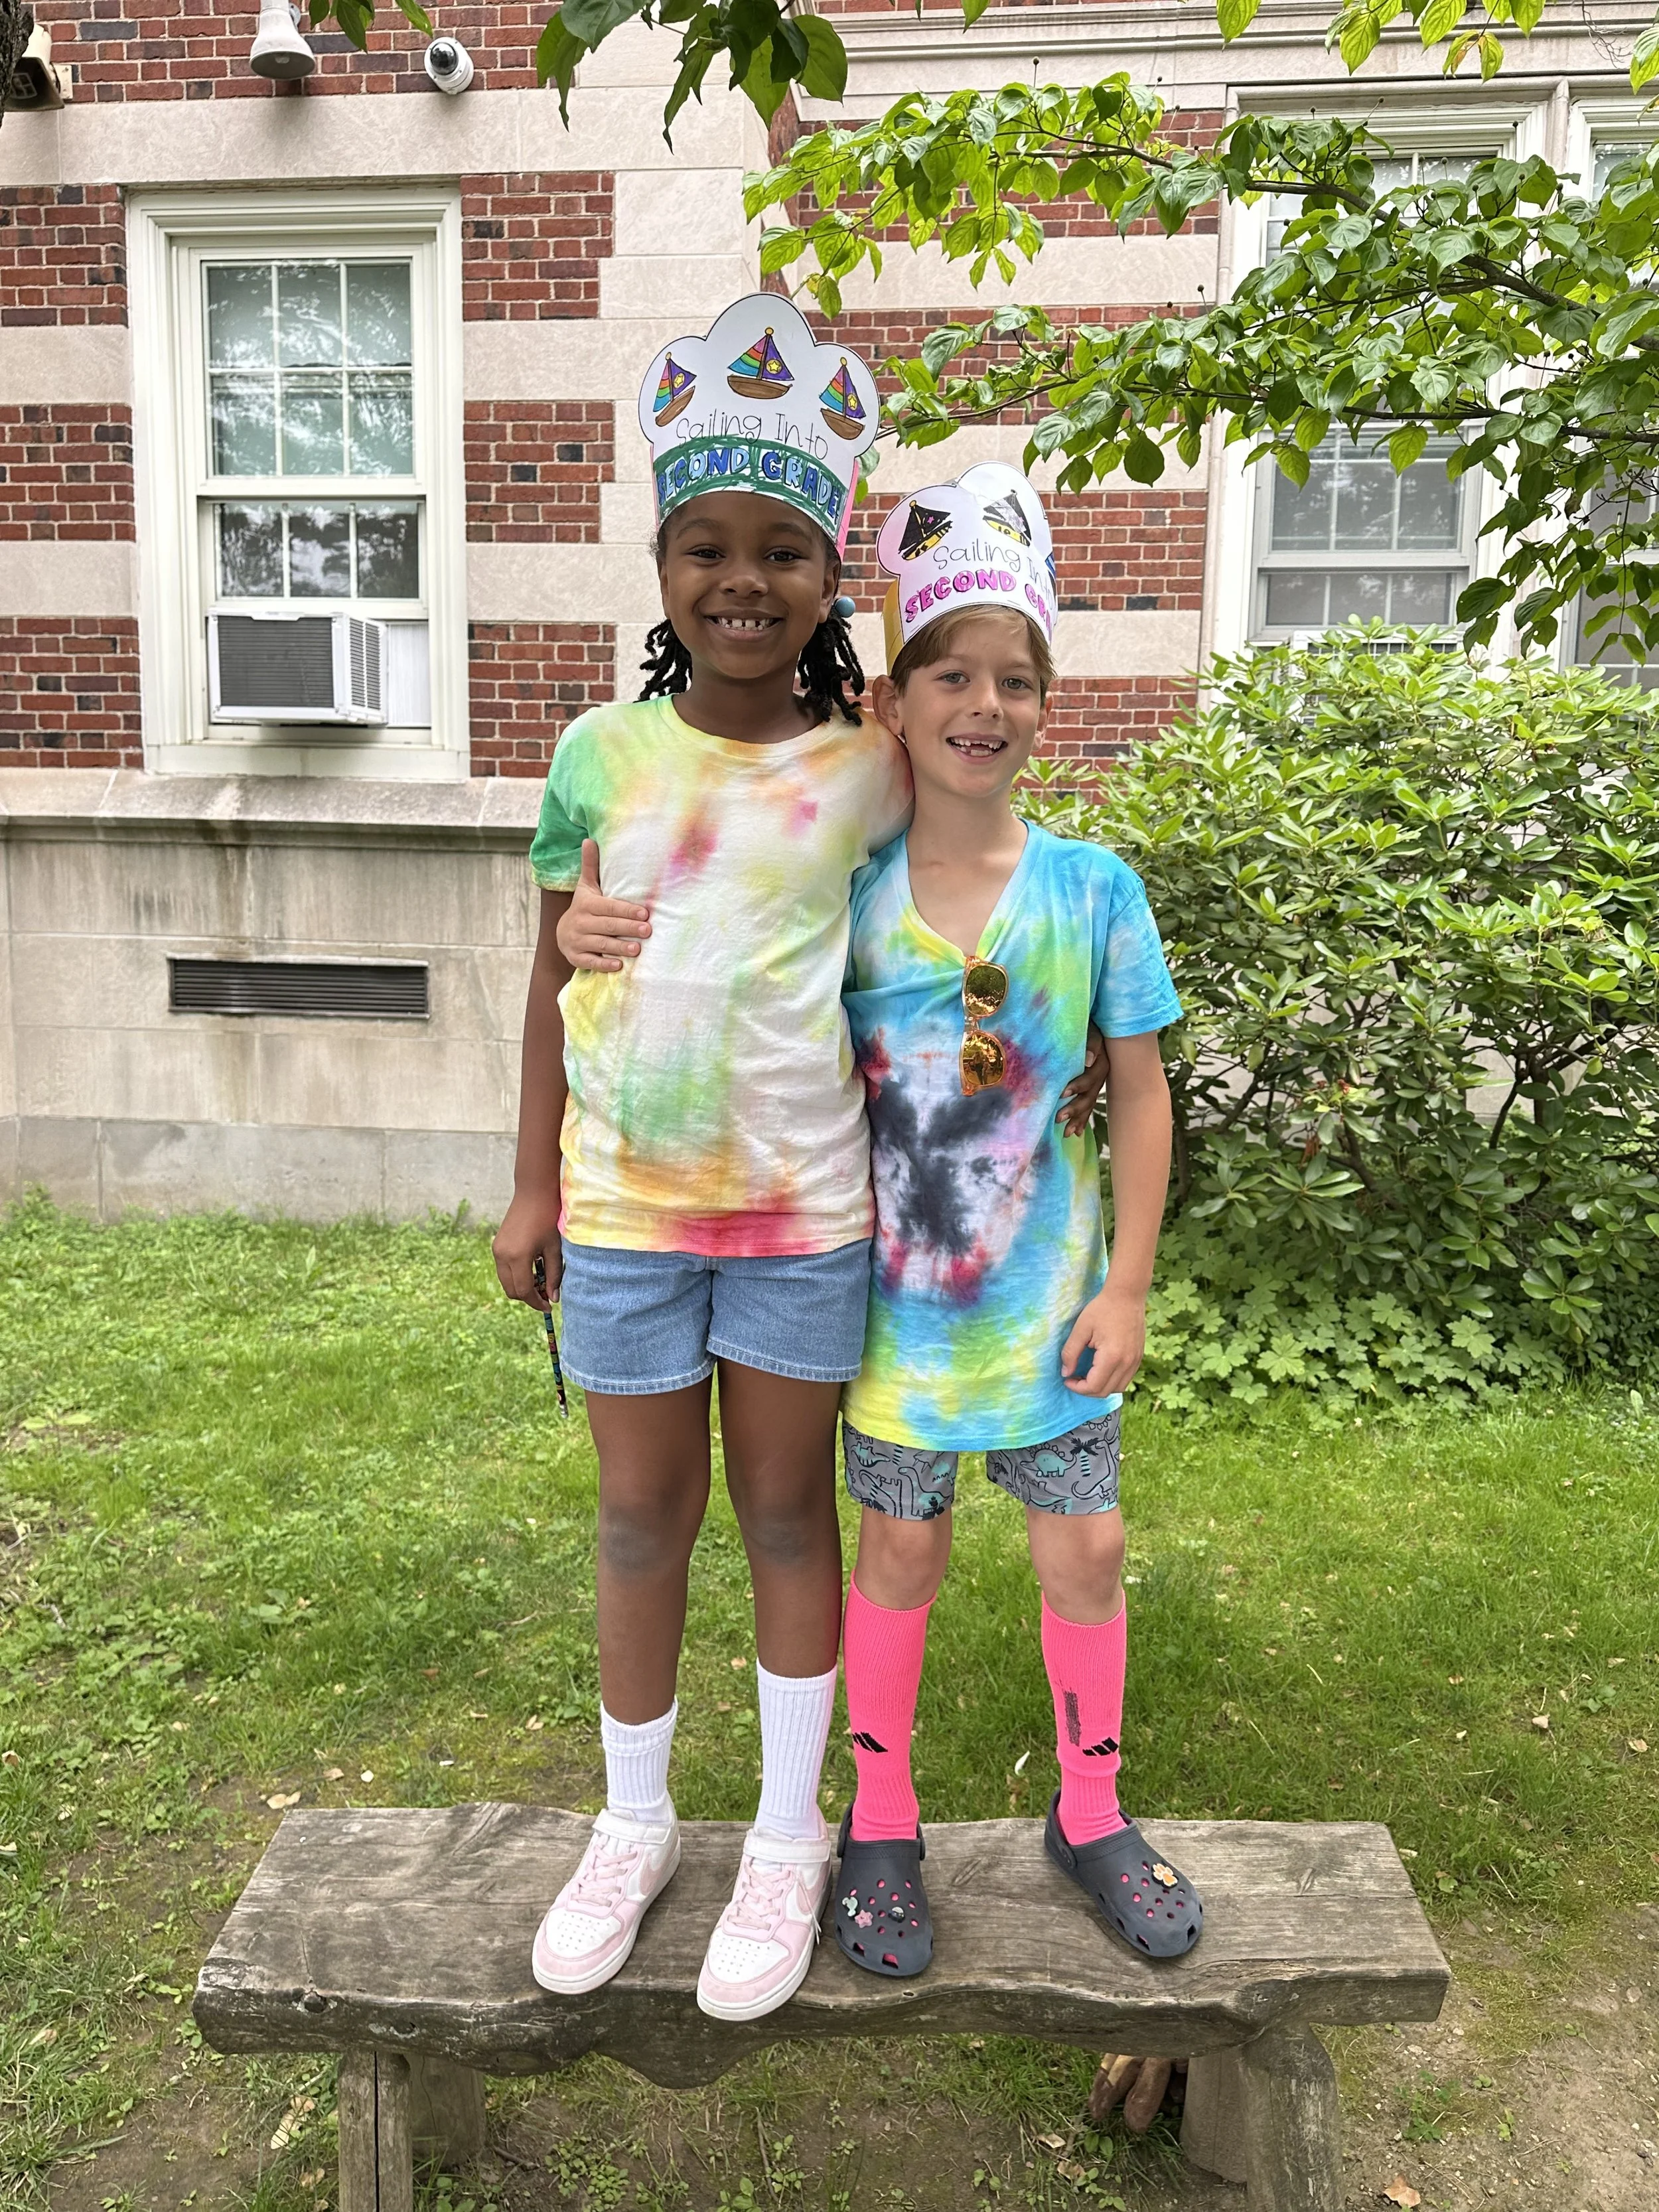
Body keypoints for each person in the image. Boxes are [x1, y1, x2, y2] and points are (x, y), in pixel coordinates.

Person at [492, 297, 910, 2024]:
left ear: (828, 570)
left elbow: (962, 887)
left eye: (784, 550)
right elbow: (547, 969)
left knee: (788, 1514)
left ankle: (788, 1836)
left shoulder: (868, 771)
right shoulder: (600, 755)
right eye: (706, 548)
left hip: (804, 1219)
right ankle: (637, 1820)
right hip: (627, 1216)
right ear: (662, 563)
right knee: (636, 1515)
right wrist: (528, 1182)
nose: (742, 581)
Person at [831, 464, 1204, 1976]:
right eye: (950, 676)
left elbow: (1142, 1094)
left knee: (1089, 1546)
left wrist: (1125, 1285)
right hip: (890, 1320)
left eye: (1014, 682)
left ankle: (1091, 1807)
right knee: (896, 1559)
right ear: (894, 696)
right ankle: (878, 1816)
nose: (983, 706)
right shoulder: (842, 887)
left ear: (1046, 703)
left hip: (1047, 1313)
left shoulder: (1093, 888)